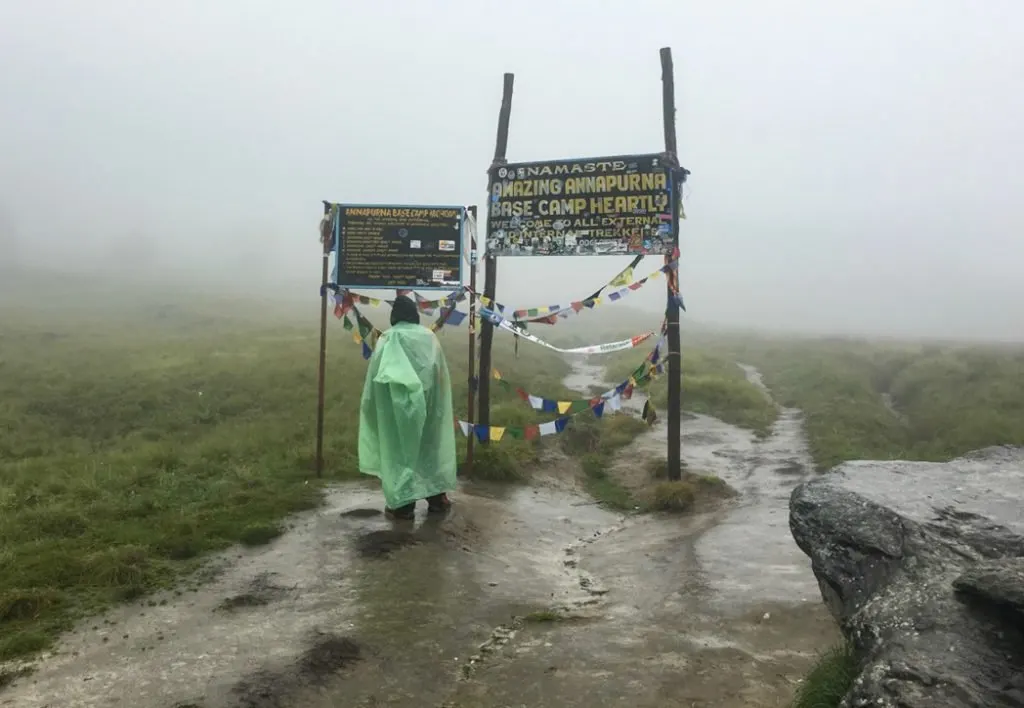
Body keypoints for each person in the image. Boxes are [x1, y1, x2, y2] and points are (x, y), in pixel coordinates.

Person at [358, 295, 457, 520]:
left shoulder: (388, 338)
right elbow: (440, 374)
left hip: (395, 408)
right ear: (415, 315)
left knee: (400, 449)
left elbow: (376, 376)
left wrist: (373, 405)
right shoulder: (429, 338)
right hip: (431, 405)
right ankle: (437, 498)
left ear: (394, 316)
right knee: (429, 448)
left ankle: (403, 504)